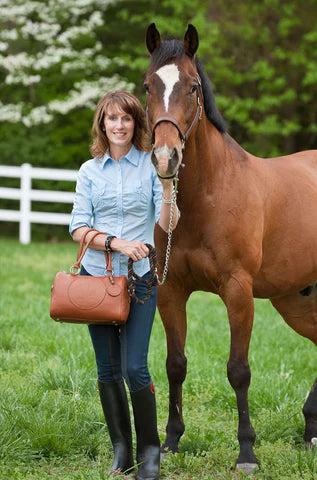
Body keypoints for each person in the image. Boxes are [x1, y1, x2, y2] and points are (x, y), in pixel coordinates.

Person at [69, 91, 179, 480]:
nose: (119, 125)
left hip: (140, 280)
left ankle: (151, 453)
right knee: (106, 370)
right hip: (96, 279)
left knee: (135, 368)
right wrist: (116, 243)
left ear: (136, 124)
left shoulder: (150, 166)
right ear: (102, 124)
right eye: (112, 119)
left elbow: (166, 224)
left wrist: (167, 188)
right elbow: (77, 227)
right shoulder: (89, 171)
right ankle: (122, 451)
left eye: (127, 119)